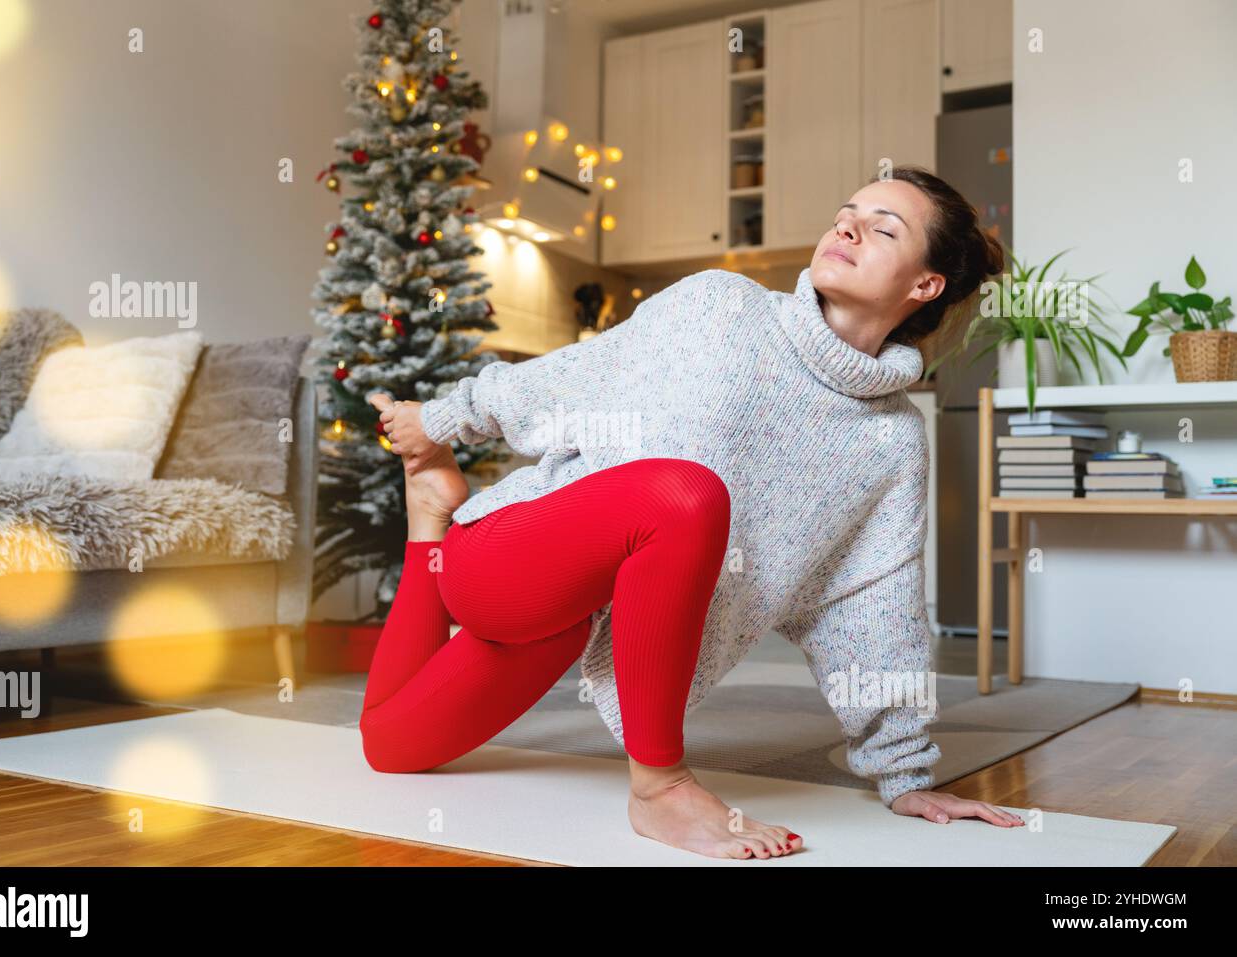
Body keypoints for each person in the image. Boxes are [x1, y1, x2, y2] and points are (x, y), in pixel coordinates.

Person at [358, 165, 1024, 860]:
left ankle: (427, 519)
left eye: (884, 228)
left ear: (924, 286)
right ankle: (659, 787)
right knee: (688, 495)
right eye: (846, 212)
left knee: (390, 748)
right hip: (509, 555)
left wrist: (904, 773)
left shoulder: (892, 441)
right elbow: (577, 373)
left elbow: (874, 600)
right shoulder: (721, 305)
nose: (847, 227)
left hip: (571, 619)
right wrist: (442, 418)